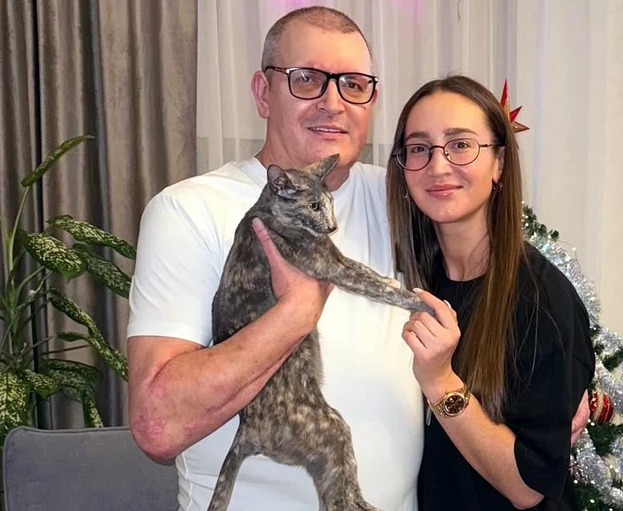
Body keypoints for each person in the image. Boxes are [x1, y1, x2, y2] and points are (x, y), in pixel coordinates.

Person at [126, 6, 589, 511]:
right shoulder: (190, 211)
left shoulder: (402, 196)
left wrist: (565, 382)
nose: (333, 103)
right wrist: (294, 315)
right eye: (306, 79)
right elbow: (157, 426)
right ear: (263, 93)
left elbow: (486, 286)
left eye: (353, 84)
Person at [384, 75, 596, 510]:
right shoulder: (412, 279)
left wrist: (441, 382)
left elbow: (528, 487)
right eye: (419, 148)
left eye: (460, 144)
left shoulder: (542, 298)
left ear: (499, 163)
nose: (438, 166)